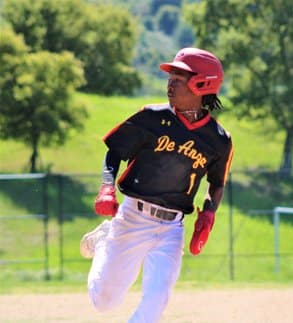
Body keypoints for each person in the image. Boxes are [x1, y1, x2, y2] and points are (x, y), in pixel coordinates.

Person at [79, 47, 233, 322]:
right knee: (104, 302)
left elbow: (216, 183)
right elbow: (115, 151)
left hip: (172, 229)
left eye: (179, 76)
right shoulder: (152, 118)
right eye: (171, 75)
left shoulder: (219, 140)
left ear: (202, 84)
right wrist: (106, 187)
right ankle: (104, 240)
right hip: (133, 217)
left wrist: (208, 215)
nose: (170, 82)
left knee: (156, 301)